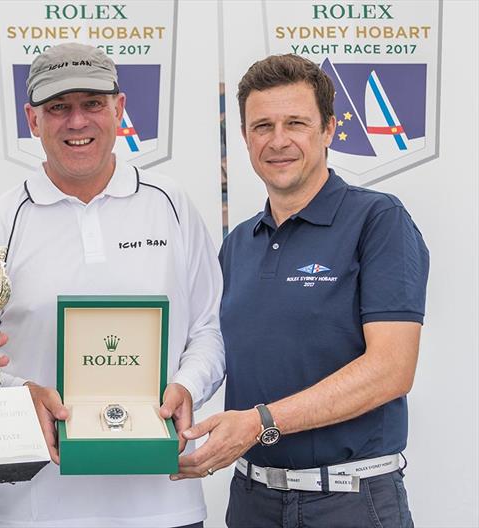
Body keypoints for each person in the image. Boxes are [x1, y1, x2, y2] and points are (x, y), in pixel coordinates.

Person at [0, 42, 226, 528]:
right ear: (31, 119)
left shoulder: (171, 205)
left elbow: (207, 330)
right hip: (33, 511)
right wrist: (18, 393)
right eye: (58, 108)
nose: (77, 122)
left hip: (164, 506)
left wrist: (186, 386)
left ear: (119, 108)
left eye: (92, 103)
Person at [174, 54, 429, 527]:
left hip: (350, 503)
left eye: (296, 123)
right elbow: (212, 349)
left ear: (329, 129)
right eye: (262, 126)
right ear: (246, 138)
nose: (278, 140)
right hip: (252, 501)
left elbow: (392, 369)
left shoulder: (378, 221)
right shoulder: (238, 244)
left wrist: (260, 422)